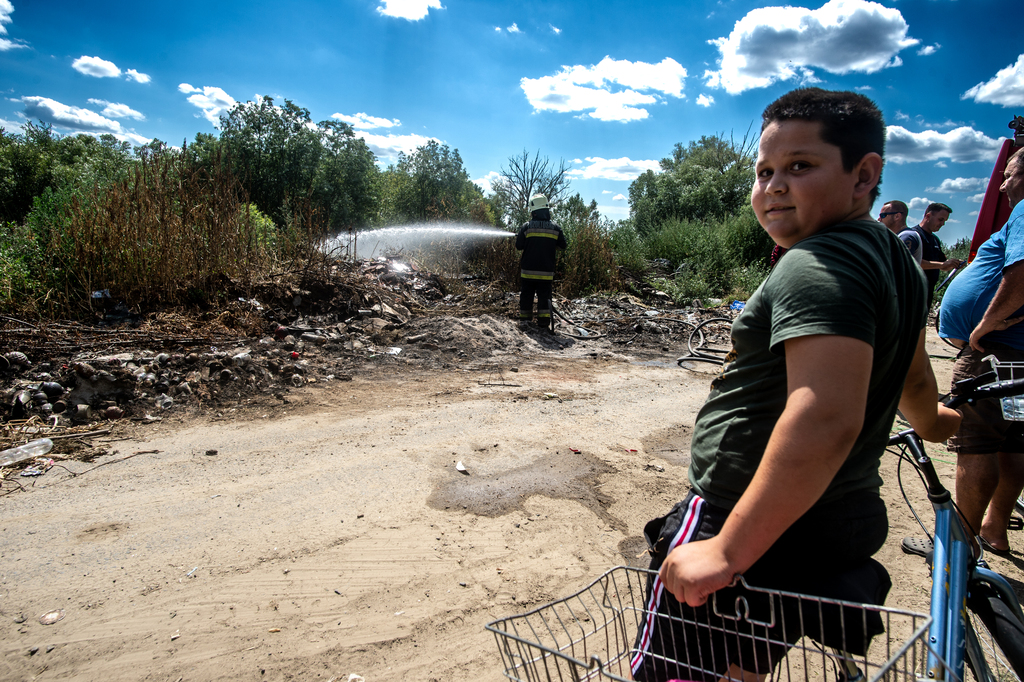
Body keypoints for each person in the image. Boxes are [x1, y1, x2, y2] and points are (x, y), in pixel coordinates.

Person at [631, 88, 960, 682]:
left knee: (676, 673)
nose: (773, 186)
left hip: (743, 510)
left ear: (865, 175)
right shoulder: (898, 264)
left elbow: (826, 417)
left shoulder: (814, 263)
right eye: (764, 171)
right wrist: (939, 425)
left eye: (799, 167)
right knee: (743, 662)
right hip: (833, 515)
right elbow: (915, 380)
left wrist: (726, 550)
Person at [935, 147, 1024, 556]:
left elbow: (1021, 272)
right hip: (1015, 355)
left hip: (993, 351)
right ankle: (993, 528)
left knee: (977, 442)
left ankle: (961, 544)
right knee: (1013, 441)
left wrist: (985, 323)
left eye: (1010, 174)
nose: (1004, 183)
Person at [515, 194, 567, 331]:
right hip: (546, 273)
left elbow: (518, 246)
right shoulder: (556, 228)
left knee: (526, 296)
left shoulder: (526, 227)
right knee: (544, 298)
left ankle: (525, 322)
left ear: (534, 211)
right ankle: (544, 324)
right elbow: (563, 245)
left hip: (528, 273)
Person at [900, 202, 961, 309]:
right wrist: (942, 265)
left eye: (944, 221)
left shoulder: (935, 240)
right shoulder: (913, 235)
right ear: (928, 216)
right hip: (912, 292)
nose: (942, 224)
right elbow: (911, 262)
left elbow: (943, 265)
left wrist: (953, 264)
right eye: (940, 219)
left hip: (927, 292)